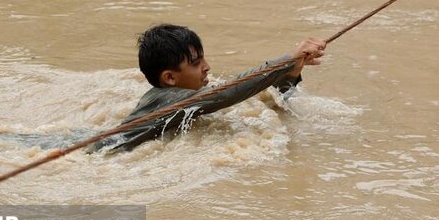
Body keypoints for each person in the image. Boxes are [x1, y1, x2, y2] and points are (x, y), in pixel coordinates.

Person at [88, 24, 326, 153]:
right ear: (170, 78)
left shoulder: (181, 96)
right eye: (196, 63)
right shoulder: (170, 98)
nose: (207, 67)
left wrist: (291, 72)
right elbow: (228, 92)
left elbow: (270, 101)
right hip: (102, 150)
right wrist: (286, 60)